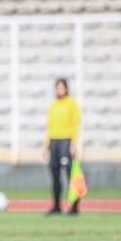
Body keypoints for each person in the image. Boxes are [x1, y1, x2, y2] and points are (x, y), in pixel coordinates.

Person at [43, 78, 81, 215]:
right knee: (55, 174)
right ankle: (56, 206)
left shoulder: (71, 104)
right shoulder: (53, 105)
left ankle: (74, 206)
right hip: (54, 142)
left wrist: (73, 143)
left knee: (70, 174)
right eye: (57, 88)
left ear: (66, 88)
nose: (59, 90)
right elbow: (50, 127)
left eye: (61, 88)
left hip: (66, 141)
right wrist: (46, 146)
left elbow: (74, 125)